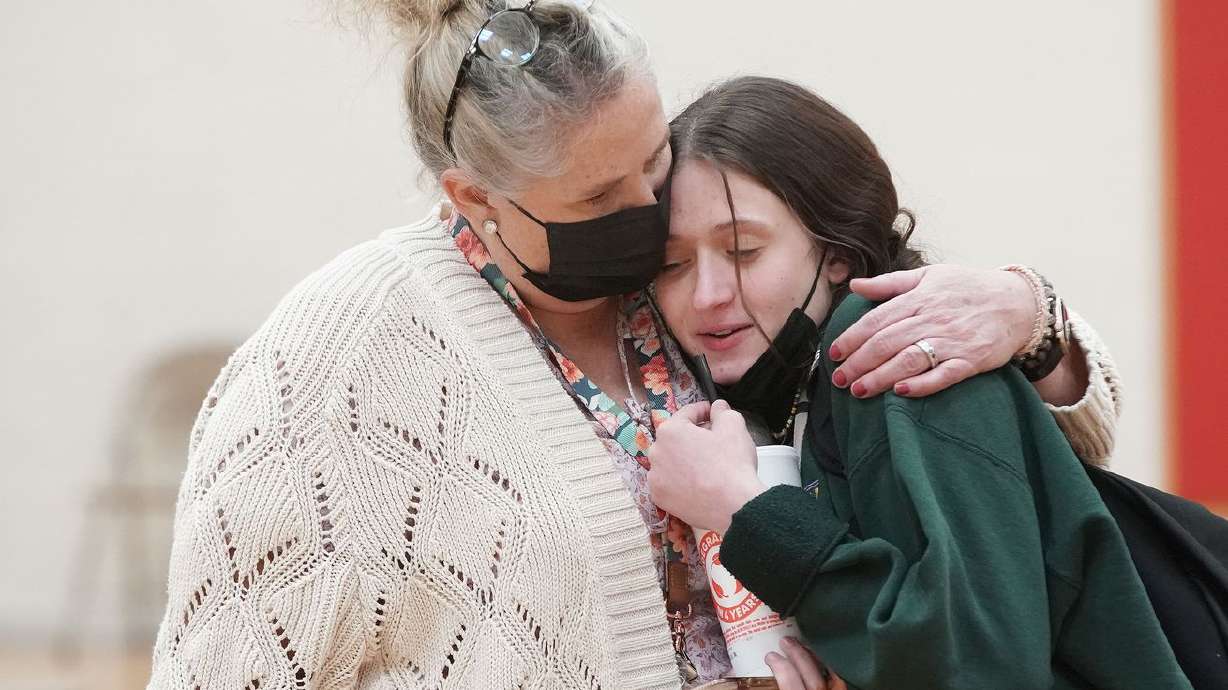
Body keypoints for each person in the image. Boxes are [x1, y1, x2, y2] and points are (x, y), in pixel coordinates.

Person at [149, 2, 1123, 688]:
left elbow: (1048, 469)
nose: (647, 215)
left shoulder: (703, 305)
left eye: (652, 163)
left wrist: (1034, 320)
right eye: (597, 199)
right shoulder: (342, 357)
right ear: (474, 200)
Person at [645, 75, 1188, 689]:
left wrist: (744, 512)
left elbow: (980, 668)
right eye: (672, 264)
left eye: (743, 251)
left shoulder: (891, 348)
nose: (707, 295)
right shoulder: (782, 396)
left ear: (838, 253)